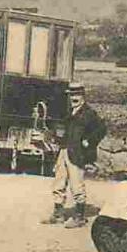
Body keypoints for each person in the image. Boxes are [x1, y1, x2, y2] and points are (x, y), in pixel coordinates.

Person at [44, 82, 106, 228]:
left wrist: (89, 141)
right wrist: (55, 138)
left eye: (77, 95)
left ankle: (79, 217)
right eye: (72, 95)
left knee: (77, 185)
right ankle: (58, 214)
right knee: (58, 183)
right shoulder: (69, 112)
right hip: (64, 151)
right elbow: (64, 131)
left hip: (77, 154)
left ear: (83, 96)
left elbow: (101, 129)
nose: (74, 98)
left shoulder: (89, 113)